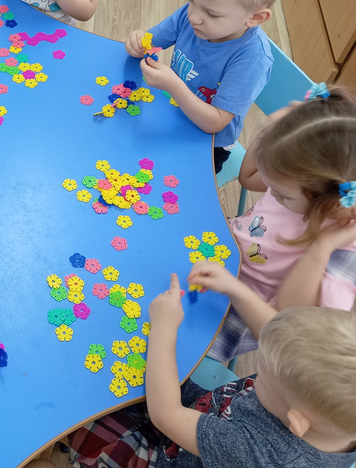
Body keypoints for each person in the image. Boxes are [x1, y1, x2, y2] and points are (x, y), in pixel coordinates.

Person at [68, 271, 356, 467]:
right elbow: (275, 337)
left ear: (297, 421)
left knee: (79, 410)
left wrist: (164, 327)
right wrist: (235, 288)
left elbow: (166, 414)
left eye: (263, 372)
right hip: (203, 411)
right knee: (122, 383)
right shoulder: (328, 414)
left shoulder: (259, 453)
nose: (258, 370)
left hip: (164, 456)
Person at [208, 84, 356, 362]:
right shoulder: (299, 178)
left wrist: (322, 246)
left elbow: (287, 321)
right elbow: (248, 178)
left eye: (283, 195)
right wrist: (272, 132)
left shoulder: (342, 243)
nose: (271, 193)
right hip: (221, 247)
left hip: (240, 307)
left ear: (329, 202)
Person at [124, 0, 288, 174]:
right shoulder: (193, 15)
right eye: (192, 0)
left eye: (212, 13)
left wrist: (173, 85)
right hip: (173, 108)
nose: (194, 17)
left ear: (255, 17)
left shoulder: (252, 59)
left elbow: (215, 122)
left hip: (210, 143)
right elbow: (150, 42)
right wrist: (138, 41)